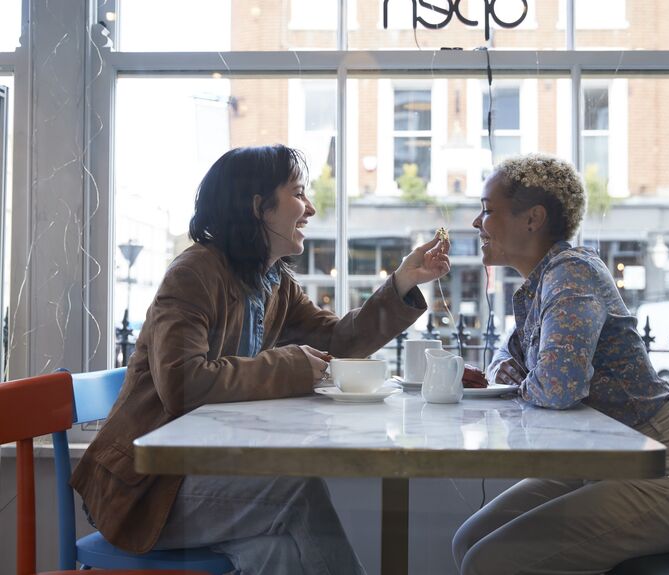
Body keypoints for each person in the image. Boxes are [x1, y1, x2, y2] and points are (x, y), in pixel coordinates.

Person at [71, 145, 450, 575]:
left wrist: (401, 280)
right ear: (258, 208)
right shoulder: (194, 272)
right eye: (298, 193)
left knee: (280, 555)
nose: (309, 208)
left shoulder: (273, 281)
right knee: (296, 493)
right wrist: (289, 366)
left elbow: (338, 341)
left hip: (195, 473)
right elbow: (182, 384)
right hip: (144, 491)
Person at [452, 153, 669, 575]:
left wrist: (527, 377)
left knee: (487, 562)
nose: (475, 223)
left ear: (532, 218)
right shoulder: (539, 284)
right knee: (467, 541)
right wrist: (520, 371)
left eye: (487, 211)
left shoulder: (573, 274)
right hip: (601, 463)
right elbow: (506, 359)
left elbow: (558, 388)